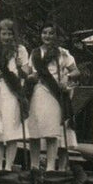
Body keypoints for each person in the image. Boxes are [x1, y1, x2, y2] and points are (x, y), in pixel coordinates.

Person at [26, 23, 78, 170]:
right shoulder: (35, 53)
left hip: (55, 93)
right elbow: (30, 73)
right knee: (35, 131)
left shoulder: (62, 53)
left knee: (51, 131)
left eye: (51, 33)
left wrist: (67, 77)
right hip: (38, 92)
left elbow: (76, 71)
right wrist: (30, 77)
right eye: (44, 33)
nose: (47, 36)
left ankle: (50, 168)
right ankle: (34, 166)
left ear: (56, 36)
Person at [0, 18, 31, 171]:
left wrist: (19, 67)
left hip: (12, 93)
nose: (7, 37)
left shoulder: (20, 50)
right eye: (4, 33)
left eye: (10, 34)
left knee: (11, 131)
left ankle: (8, 167)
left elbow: (26, 74)